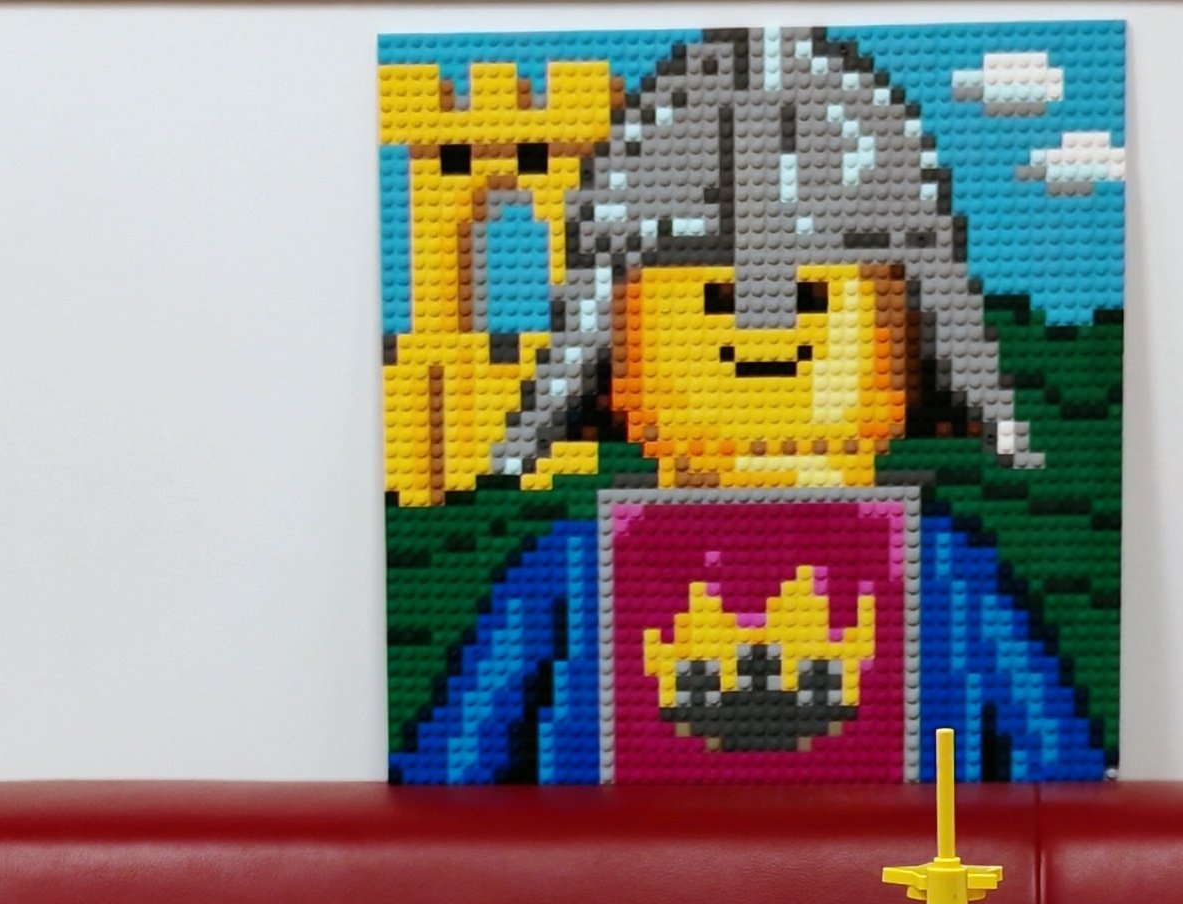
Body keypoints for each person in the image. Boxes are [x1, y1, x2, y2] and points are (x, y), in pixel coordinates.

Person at [389, 26, 1110, 785]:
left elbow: (1054, 772)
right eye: (717, 298)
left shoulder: (944, 581)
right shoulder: (570, 580)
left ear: (912, 354)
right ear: (613, 363)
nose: (765, 330)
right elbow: (451, 774)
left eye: (812, 296)